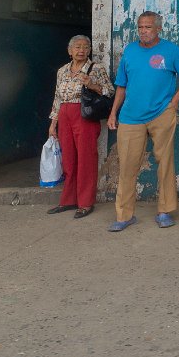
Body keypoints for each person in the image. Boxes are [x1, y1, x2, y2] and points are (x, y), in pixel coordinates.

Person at [107, 11, 179, 231]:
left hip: (161, 113)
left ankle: (164, 211)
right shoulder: (129, 51)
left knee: (164, 162)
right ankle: (124, 216)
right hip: (130, 116)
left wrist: (174, 102)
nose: (143, 31)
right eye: (140, 27)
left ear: (158, 29)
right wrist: (113, 113)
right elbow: (121, 86)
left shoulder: (171, 50)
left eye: (148, 27)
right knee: (127, 165)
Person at [47, 35, 114, 219]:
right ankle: (68, 200)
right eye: (77, 47)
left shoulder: (95, 68)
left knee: (86, 158)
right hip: (65, 115)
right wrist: (54, 123)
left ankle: (85, 202)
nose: (81, 50)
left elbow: (109, 91)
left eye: (85, 47)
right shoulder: (62, 71)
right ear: (70, 51)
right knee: (68, 158)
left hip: (84, 114)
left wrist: (91, 84)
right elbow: (57, 98)